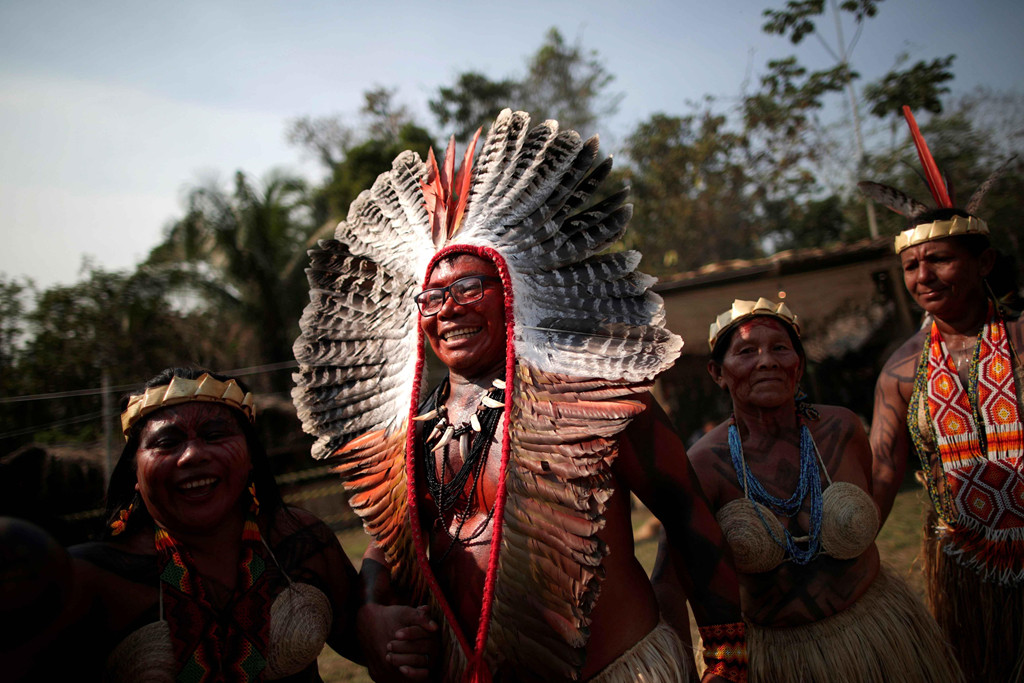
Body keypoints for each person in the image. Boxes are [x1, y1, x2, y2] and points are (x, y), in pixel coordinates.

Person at [292, 110, 748, 682]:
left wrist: (727, 653)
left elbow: (686, 514)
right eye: (431, 298)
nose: (448, 309)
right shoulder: (415, 433)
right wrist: (371, 612)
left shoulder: (592, 400)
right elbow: (388, 543)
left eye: (468, 287)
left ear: (512, 292)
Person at [24, 367, 432, 682]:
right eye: (166, 442)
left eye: (215, 434)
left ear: (250, 457)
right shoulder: (88, 579)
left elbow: (370, 644)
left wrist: (386, 625)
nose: (192, 455)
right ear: (135, 470)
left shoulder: (302, 541)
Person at [654, 297, 962, 682]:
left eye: (780, 348)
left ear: (798, 366)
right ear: (717, 372)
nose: (767, 361)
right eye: (746, 351)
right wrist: (696, 671)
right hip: (777, 661)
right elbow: (669, 584)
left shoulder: (842, 429)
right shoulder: (702, 466)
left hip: (881, 640)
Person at [864, 107, 1024, 683]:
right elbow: (884, 471)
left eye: (939, 259)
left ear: (984, 262)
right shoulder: (900, 371)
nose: (923, 277)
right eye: (911, 266)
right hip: (962, 567)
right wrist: (846, 551)